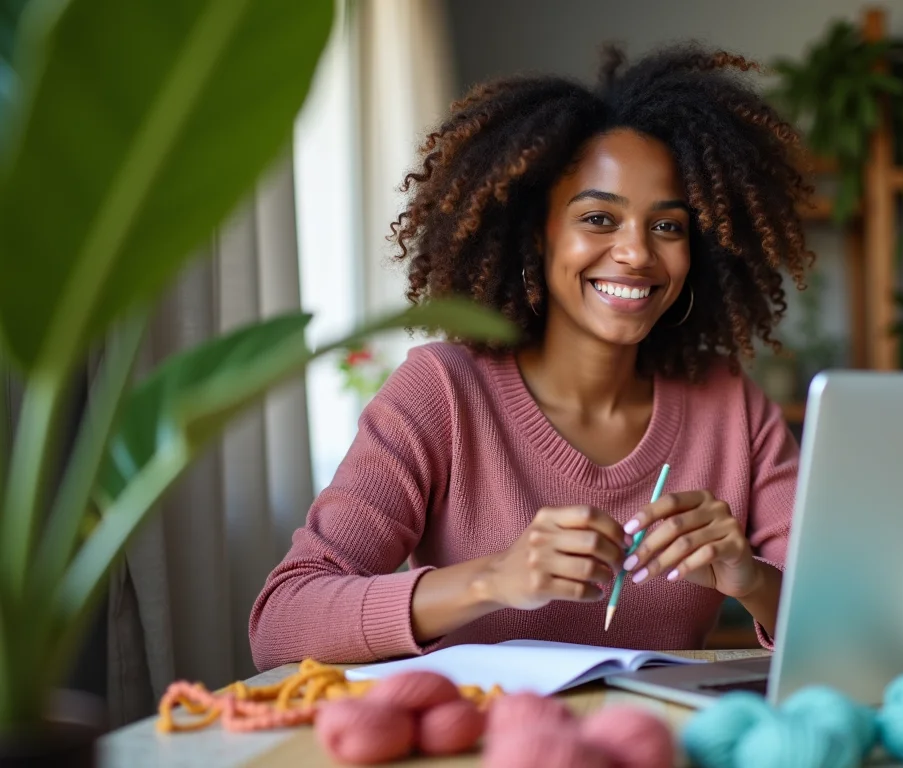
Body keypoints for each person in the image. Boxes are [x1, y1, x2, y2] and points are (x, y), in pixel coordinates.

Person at [248, 43, 815, 671]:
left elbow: (851, 625)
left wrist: (750, 580)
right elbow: (282, 622)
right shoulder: (443, 393)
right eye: (599, 218)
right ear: (533, 234)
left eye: (667, 226)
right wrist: (492, 579)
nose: (636, 254)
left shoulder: (730, 405)